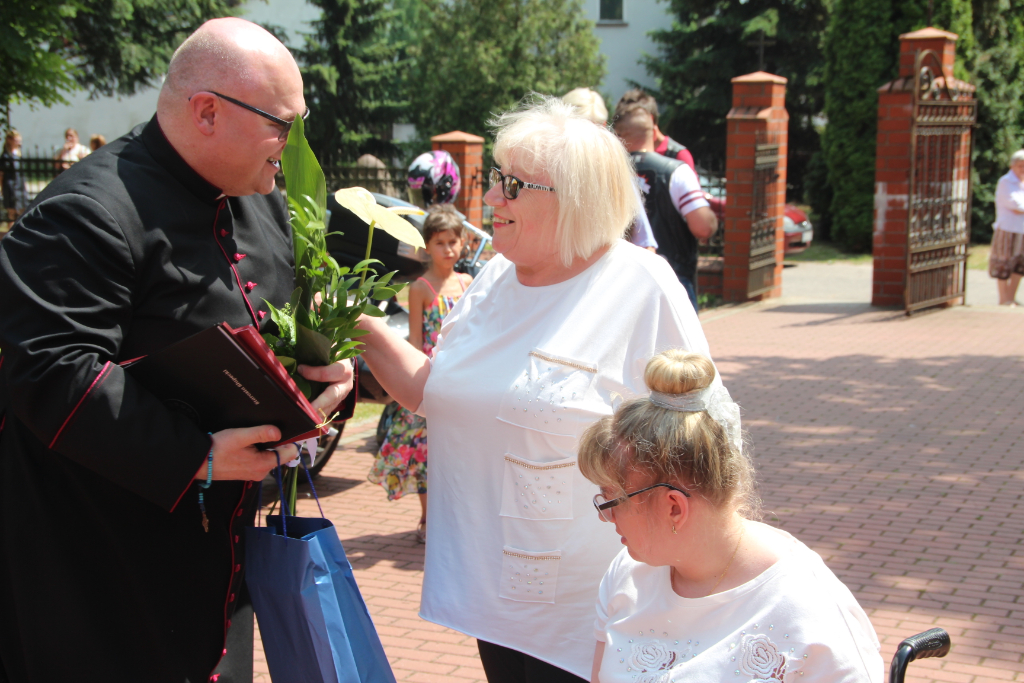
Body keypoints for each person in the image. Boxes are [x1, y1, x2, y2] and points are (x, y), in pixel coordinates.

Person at [0, 18, 354, 683]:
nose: (291, 144)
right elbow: (51, 372)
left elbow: (273, 325)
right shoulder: (87, 212)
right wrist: (196, 456)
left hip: (220, 559)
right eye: (281, 124)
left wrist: (324, 377)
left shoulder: (259, 198)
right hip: (102, 568)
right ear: (208, 111)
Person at [355, 95, 717, 683]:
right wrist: (361, 330)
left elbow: (706, 446)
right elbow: (435, 391)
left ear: (574, 199)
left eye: (513, 185)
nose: (491, 199)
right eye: (495, 179)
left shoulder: (640, 287)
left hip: (595, 611)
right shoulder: (493, 277)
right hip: (495, 599)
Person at [580, 350, 884, 683]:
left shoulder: (809, 614)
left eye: (612, 502)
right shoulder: (627, 575)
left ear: (674, 508)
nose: (606, 518)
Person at [369, 204, 472, 542]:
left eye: (453, 242)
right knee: (425, 452)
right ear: (427, 246)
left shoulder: (468, 282)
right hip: (431, 378)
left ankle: (455, 517)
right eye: (440, 242)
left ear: (463, 243)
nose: (448, 249)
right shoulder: (420, 288)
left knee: (458, 453)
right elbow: (415, 340)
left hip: (462, 380)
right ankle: (429, 518)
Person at [614, 105, 717, 313]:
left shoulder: (609, 174)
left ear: (619, 136)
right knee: (679, 346)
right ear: (653, 130)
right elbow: (703, 227)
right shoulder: (675, 171)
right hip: (672, 277)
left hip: (618, 283)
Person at [561, 87, 659, 252]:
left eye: (594, 130)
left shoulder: (617, 176)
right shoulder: (539, 174)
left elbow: (646, 245)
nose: (585, 141)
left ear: (605, 128)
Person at [614, 89, 695, 170]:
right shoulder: (622, 154)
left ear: (649, 120)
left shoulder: (678, 155)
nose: (619, 140)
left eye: (623, 133)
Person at [989, 150, 1024, 306]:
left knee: (1020, 265)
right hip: (1007, 229)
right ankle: (1003, 299)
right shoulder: (1005, 182)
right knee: (1003, 263)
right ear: (1012, 166)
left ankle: (1011, 297)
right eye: (1019, 166)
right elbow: (1015, 205)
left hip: (1022, 230)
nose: (1022, 169)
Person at [1, 130, 28, 225]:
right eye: (17, 140)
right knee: (11, 211)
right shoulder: (5, 156)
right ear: (10, 140)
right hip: (10, 186)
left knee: (22, 210)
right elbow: (1, 173)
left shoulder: (19, 154)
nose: (19, 142)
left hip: (20, 185)